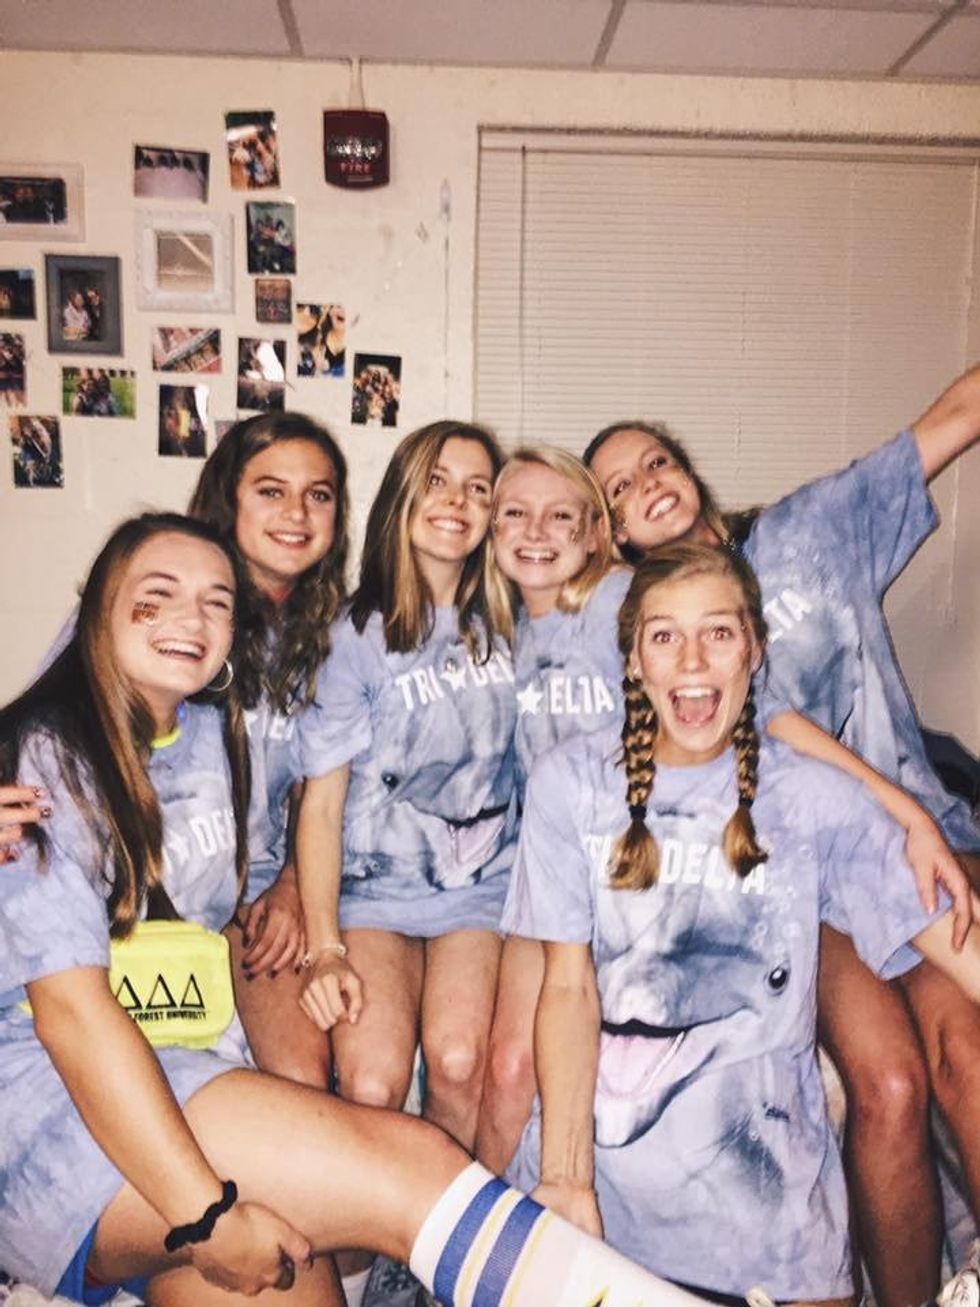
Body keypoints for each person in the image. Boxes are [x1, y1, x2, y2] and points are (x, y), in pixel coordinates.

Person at [0, 511, 715, 1307]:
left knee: (296, 1272)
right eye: (156, 596)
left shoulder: (210, 732)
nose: (190, 619)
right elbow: (70, 1014)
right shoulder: (45, 754)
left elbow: (284, 834)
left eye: (215, 602)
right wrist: (205, 1217)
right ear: (98, 610)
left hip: (178, 1071)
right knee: (413, 1166)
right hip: (54, 1106)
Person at [583, 368, 980, 1305]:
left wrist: (914, 815)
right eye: (619, 489)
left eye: (656, 461)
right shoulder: (647, 633)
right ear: (616, 536)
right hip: (805, 890)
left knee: (965, 1050)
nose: (647, 484)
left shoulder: (811, 531)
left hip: (918, 848)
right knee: (888, 1085)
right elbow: (772, 728)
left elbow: (958, 413)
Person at [504, 543, 980, 1306]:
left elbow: (947, 940)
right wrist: (566, 1178)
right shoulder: (571, 783)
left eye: (719, 632)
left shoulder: (811, 797)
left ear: (754, 651)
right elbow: (567, 990)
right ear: (634, 660)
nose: (693, 660)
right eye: (664, 635)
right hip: (608, 1205)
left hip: (776, 1230)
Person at [476, 446, 629, 1172]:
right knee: (507, 1067)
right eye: (515, 512)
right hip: (541, 874)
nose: (536, 530)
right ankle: (473, 1228)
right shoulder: (497, 631)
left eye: (560, 515)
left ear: (595, 533)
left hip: (629, 873)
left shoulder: (619, 602)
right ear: (491, 530)